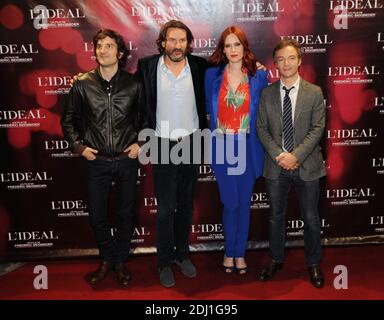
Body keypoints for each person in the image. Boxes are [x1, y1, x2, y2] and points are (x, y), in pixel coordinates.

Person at [61, 29, 143, 286]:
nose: (103, 50)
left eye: (109, 46)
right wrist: (79, 147)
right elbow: (68, 120)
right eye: (99, 46)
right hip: (96, 162)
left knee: (126, 215)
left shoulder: (134, 84)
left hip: (126, 160)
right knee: (97, 215)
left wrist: (140, 142)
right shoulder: (82, 83)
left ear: (119, 53)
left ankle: (119, 262)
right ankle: (107, 258)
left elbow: (146, 119)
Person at [136, 20, 209, 288]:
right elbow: (129, 96)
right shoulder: (147, 67)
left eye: (182, 41)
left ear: (188, 43)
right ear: (163, 42)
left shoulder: (201, 67)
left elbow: (231, 75)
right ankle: (164, 261)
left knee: (186, 205)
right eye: (172, 40)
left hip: (191, 142)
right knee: (165, 208)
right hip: (162, 144)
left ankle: (182, 254)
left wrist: (255, 67)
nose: (177, 46)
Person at [256, 38, 326, 288]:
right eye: (281, 59)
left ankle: (313, 263)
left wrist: (296, 155)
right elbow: (262, 129)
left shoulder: (314, 92)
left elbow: (317, 128)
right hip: (276, 165)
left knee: (310, 218)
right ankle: (275, 259)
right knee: (275, 216)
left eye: (291, 58)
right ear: (275, 63)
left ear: (299, 61)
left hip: (307, 165)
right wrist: (280, 155)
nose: (286, 63)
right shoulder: (266, 93)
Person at [205, 26, 268, 275]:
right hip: (222, 147)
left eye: (237, 45)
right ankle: (228, 250)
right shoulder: (212, 75)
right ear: (223, 49)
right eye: (227, 45)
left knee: (243, 203)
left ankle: (238, 253)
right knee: (230, 202)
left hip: (248, 146)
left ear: (244, 47)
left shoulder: (259, 77)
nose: (232, 50)